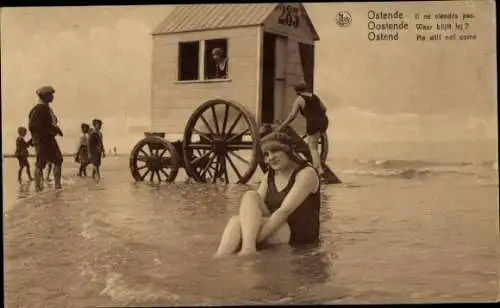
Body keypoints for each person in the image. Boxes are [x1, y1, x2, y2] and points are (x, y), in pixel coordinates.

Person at [214, 132, 321, 257]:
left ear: (288, 151)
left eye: (275, 151)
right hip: (276, 225)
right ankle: (222, 259)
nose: (270, 158)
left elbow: (284, 211)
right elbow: (253, 211)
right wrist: (249, 237)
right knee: (249, 198)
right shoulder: (269, 176)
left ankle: (246, 249)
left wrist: (253, 240)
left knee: (237, 227)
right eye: (266, 154)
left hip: (299, 233)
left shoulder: (306, 174)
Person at [275, 83, 329, 179]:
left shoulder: (299, 100)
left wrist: (281, 127)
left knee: (313, 148)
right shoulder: (314, 96)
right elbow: (324, 109)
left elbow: (292, 116)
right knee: (314, 142)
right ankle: (319, 170)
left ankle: (319, 171)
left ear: (297, 91)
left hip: (313, 122)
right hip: (324, 120)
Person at [28, 86, 64, 191]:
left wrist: (55, 129)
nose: (52, 96)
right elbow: (33, 127)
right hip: (42, 140)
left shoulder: (46, 108)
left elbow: (52, 123)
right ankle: (38, 188)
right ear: (44, 96)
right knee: (40, 164)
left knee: (58, 160)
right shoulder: (38, 109)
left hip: (48, 139)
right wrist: (50, 130)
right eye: (50, 95)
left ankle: (57, 186)